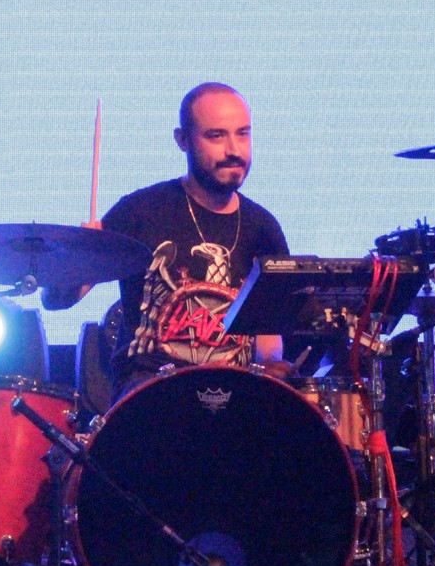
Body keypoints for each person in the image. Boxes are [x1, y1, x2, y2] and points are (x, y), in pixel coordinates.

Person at [44, 82, 291, 401]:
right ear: (182, 140)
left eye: (242, 133)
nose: (234, 150)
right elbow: (56, 300)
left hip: (229, 399)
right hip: (150, 397)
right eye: (216, 136)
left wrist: (272, 369)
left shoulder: (264, 228)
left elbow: (268, 339)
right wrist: (77, 258)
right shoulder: (140, 211)